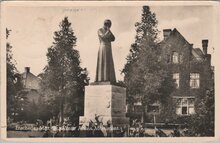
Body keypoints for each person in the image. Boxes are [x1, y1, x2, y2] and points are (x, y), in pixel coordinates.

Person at [95, 19, 116, 84]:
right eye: (108, 25)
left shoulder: (108, 30)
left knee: (108, 63)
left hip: (108, 48)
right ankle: (101, 79)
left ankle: (108, 78)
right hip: (103, 47)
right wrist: (108, 31)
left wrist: (109, 31)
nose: (109, 26)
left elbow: (113, 38)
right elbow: (103, 37)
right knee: (102, 62)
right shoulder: (100, 30)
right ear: (105, 24)